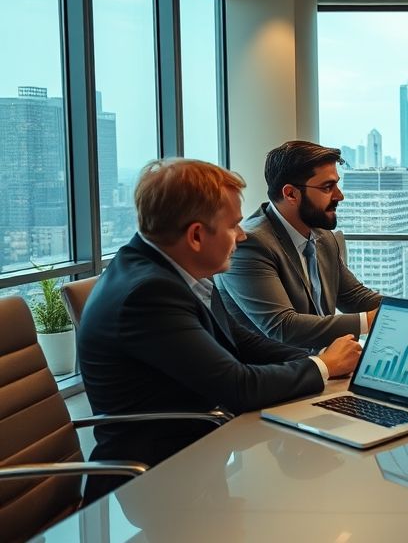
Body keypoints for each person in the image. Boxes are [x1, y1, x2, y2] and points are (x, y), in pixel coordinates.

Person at [78, 159, 362, 501]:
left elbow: (243, 343)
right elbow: (237, 386)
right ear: (196, 235)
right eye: (234, 226)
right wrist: (324, 366)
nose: (242, 236)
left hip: (204, 452)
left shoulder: (175, 272)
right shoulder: (148, 294)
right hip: (158, 483)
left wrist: (331, 364)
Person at [217, 141, 382, 353]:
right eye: (327, 187)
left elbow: (355, 297)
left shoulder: (323, 237)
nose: (339, 196)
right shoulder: (249, 244)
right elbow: (284, 327)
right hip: (278, 375)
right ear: (291, 194)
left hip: (324, 366)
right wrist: (370, 320)